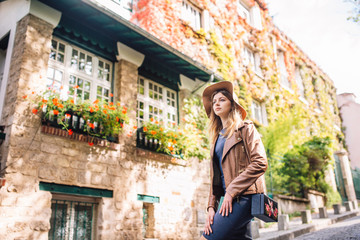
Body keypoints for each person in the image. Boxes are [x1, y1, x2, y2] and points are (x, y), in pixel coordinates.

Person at [200, 81, 268, 240]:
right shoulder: (216, 139)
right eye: (214, 101)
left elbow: (260, 162)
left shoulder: (246, 128)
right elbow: (215, 179)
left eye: (222, 99)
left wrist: (231, 191)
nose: (217, 103)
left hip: (245, 197)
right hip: (229, 199)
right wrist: (211, 207)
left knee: (208, 238)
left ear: (232, 105)